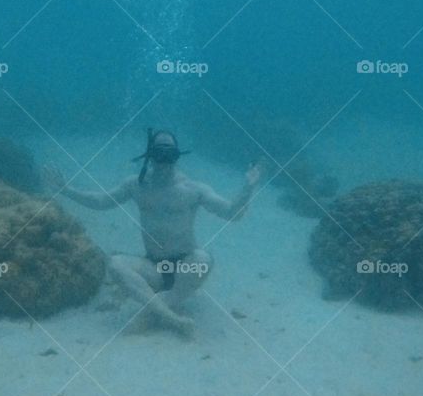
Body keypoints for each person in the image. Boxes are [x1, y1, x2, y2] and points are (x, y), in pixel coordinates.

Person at [44, 129, 261, 336]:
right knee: (116, 263)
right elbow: (101, 201)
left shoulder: (193, 189)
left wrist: (248, 187)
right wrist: (67, 190)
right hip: (152, 269)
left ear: (177, 157)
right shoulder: (136, 185)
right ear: (150, 155)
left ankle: (151, 313)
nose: (164, 161)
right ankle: (171, 317)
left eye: (170, 154)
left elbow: (233, 213)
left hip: (186, 266)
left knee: (204, 259)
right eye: (159, 154)